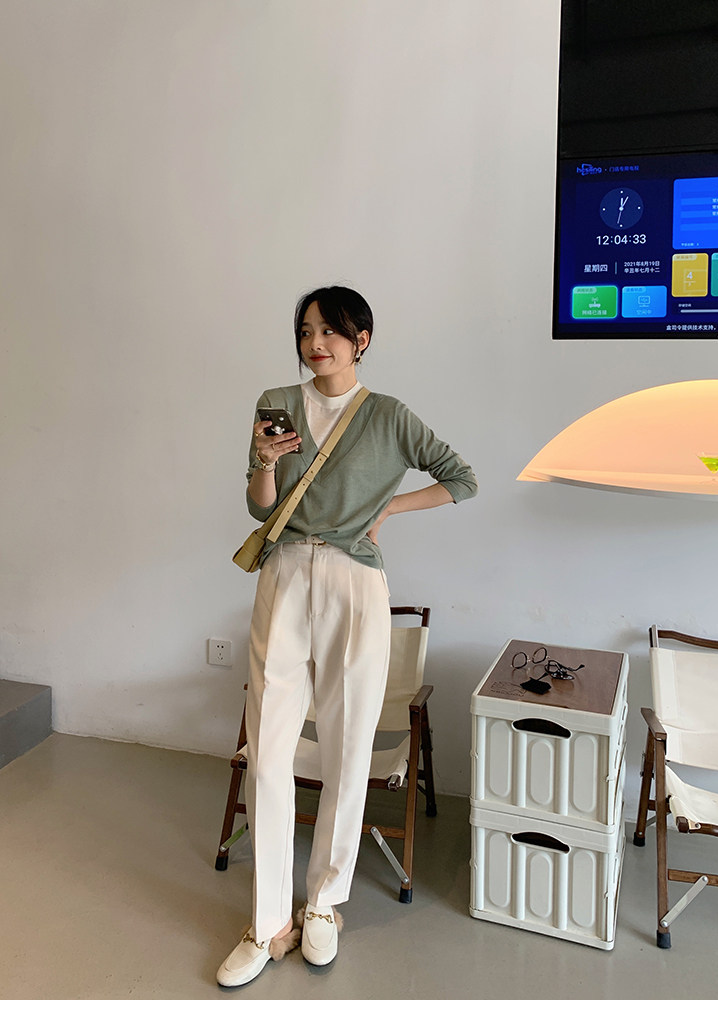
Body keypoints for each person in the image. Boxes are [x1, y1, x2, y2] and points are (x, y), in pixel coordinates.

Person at [217, 285, 478, 988]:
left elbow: (461, 479)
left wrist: (389, 508)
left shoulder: (388, 415)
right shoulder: (276, 399)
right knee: (268, 750)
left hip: (354, 581)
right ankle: (267, 921)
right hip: (283, 573)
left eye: (331, 331)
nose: (315, 344)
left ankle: (324, 904)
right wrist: (264, 460)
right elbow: (259, 507)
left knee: (348, 744)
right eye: (306, 331)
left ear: (361, 339)